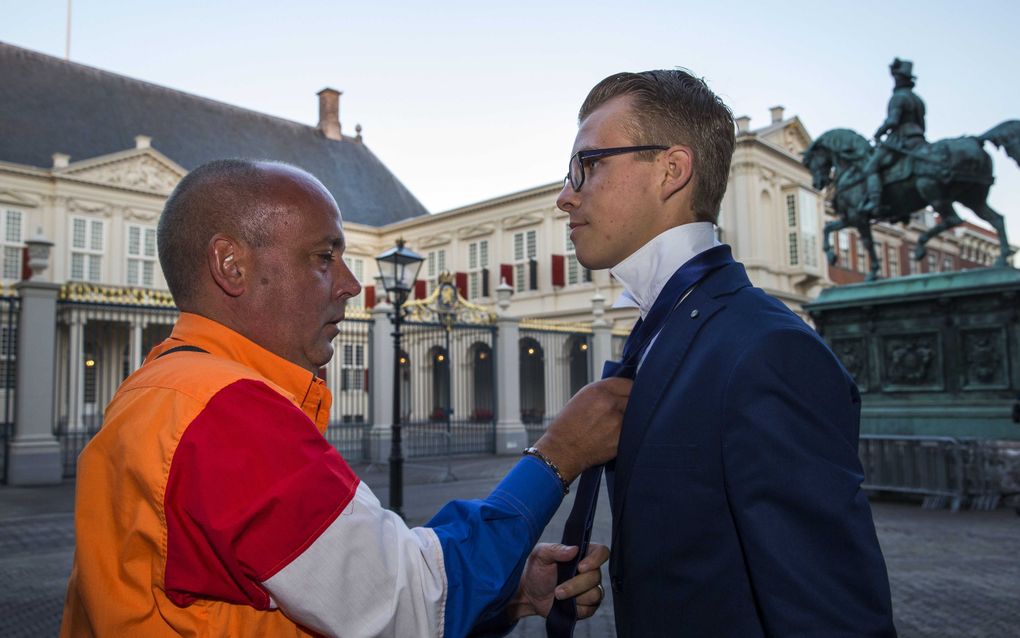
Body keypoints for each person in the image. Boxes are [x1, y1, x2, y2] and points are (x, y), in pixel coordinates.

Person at [60, 159, 631, 637]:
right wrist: (557, 454)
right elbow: (410, 600)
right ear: (231, 265)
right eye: (322, 257)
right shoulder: (226, 414)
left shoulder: (162, 390)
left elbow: (318, 606)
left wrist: (510, 593)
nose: (352, 286)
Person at [555, 70, 897, 637]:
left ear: (672, 170)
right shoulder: (670, 324)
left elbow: (832, 616)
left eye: (587, 165)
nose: (565, 195)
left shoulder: (769, 350)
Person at [861, 58, 928, 215]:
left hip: (901, 140)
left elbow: (892, 121)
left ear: (899, 79)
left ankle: (875, 203)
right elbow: (922, 125)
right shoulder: (918, 100)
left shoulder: (898, 97)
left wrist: (879, 133)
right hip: (918, 139)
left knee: (871, 167)